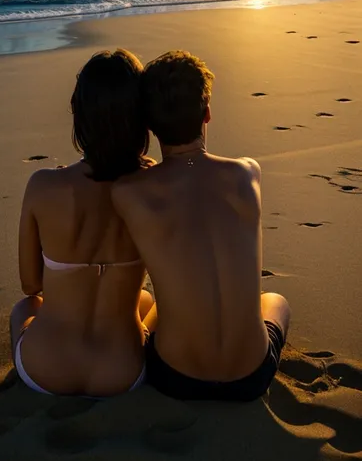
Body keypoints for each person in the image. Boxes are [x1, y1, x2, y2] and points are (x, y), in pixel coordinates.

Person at [112, 50, 290, 402]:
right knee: (274, 299)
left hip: (176, 377)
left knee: (157, 303)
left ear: (148, 125)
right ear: (207, 113)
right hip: (252, 377)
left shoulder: (129, 191)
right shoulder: (247, 173)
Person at [10, 49, 155, 397]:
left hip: (43, 371)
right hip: (125, 372)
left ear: (80, 114)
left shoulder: (43, 185)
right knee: (146, 300)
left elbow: (31, 286)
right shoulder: (154, 185)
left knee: (25, 308)